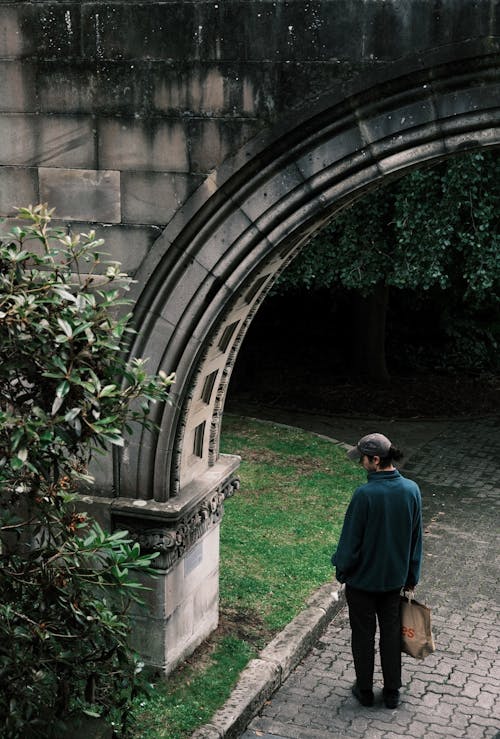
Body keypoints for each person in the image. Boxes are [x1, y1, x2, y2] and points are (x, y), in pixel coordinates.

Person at [331, 432, 423, 710]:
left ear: (375, 459)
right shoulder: (411, 490)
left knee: (363, 635)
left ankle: (365, 690)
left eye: (363, 459)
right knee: (391, 634)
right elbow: (415, 539)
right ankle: (392, 692)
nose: (361, 463)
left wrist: (342, 569)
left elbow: (350, 542)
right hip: (394, 581)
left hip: (362, 583)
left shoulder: (364, 495)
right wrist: (411, 577)